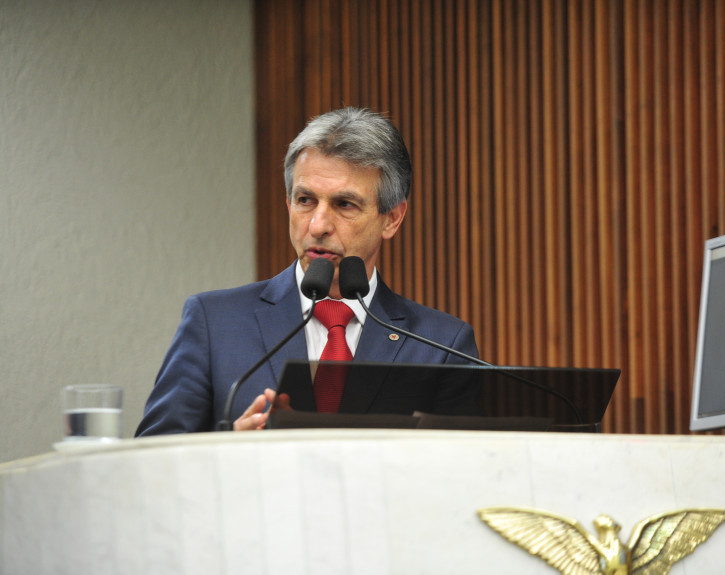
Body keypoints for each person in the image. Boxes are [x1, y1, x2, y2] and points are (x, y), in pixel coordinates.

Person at [136, 107, 480, 436]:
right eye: (305, 200)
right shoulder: (214, 323)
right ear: (288, 204)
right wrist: (228, 450)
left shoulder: (442, 346)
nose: (317, 225)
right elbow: (151, 465)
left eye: (344, 204)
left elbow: (465, 476)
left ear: (392, 218)